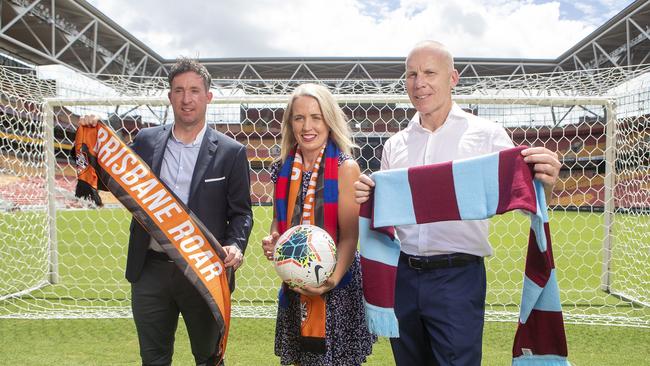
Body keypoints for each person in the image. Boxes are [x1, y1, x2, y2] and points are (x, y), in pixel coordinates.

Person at [353, 41, 561, 366]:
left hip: (457, 277)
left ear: (453, 78)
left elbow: (524, 200)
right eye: (411, 74)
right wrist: (369, 196)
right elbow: (389, 216)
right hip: (403, 276)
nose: (419, 82)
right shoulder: (395, 145)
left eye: (429, 73)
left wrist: (545, 185)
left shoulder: (486, 135)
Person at [78, 58, 253, 366]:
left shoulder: (231, 151)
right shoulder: (146, 141)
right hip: (149, 270)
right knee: (153, 359)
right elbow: (113, 181)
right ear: (170, 96)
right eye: (179, 90)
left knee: (209, 358)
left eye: (195, 90)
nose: (187, 99)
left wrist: (236, 245)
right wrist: (92, 132)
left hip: (202, 268)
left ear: (208, 96)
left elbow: (242, 213)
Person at [261, 83, 375, 365]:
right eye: (299, 118)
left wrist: (331, 281)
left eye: (316, 117)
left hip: (337, 286)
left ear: (329, 120)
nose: (307, 126)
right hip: (296, 281)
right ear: (290, 123)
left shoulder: (345, 168)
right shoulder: (283, 167)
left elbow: (350, 236)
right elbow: (279, 219)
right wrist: (275, 239)